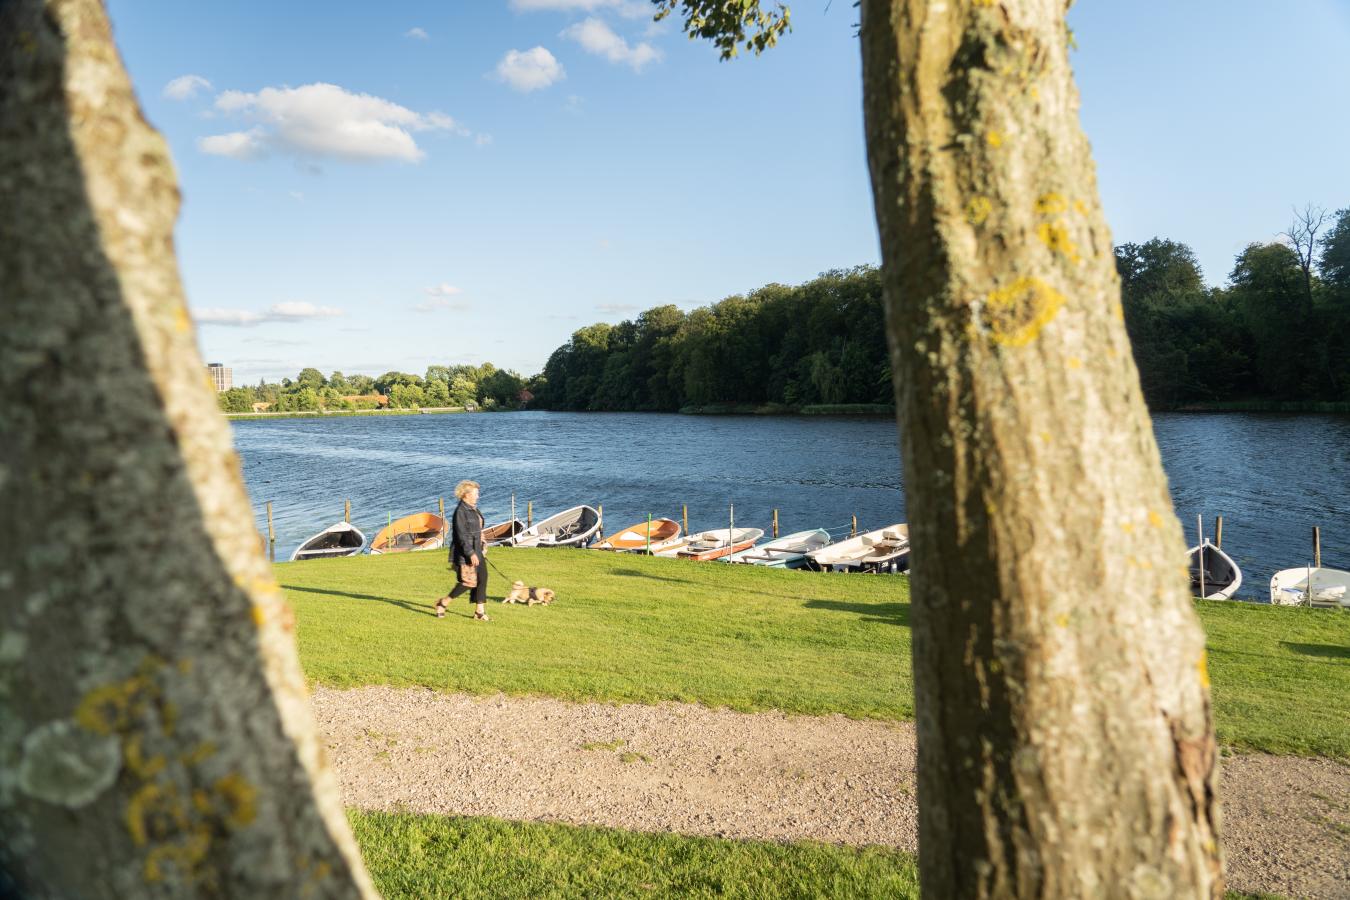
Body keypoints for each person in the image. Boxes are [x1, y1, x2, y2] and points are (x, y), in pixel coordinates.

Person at [436, 480, 489, 621]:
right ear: (466, 495)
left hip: (478, 549)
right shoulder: (460, 511)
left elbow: (477, 530)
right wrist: (470, 553)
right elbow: (461, 535)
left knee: (482, 578)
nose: (478, 496)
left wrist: (482, 544)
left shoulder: (473, 508)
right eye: (475, 494)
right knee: (468, 582)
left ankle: (479, 612)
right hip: (466, 552)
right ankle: (443, 603)